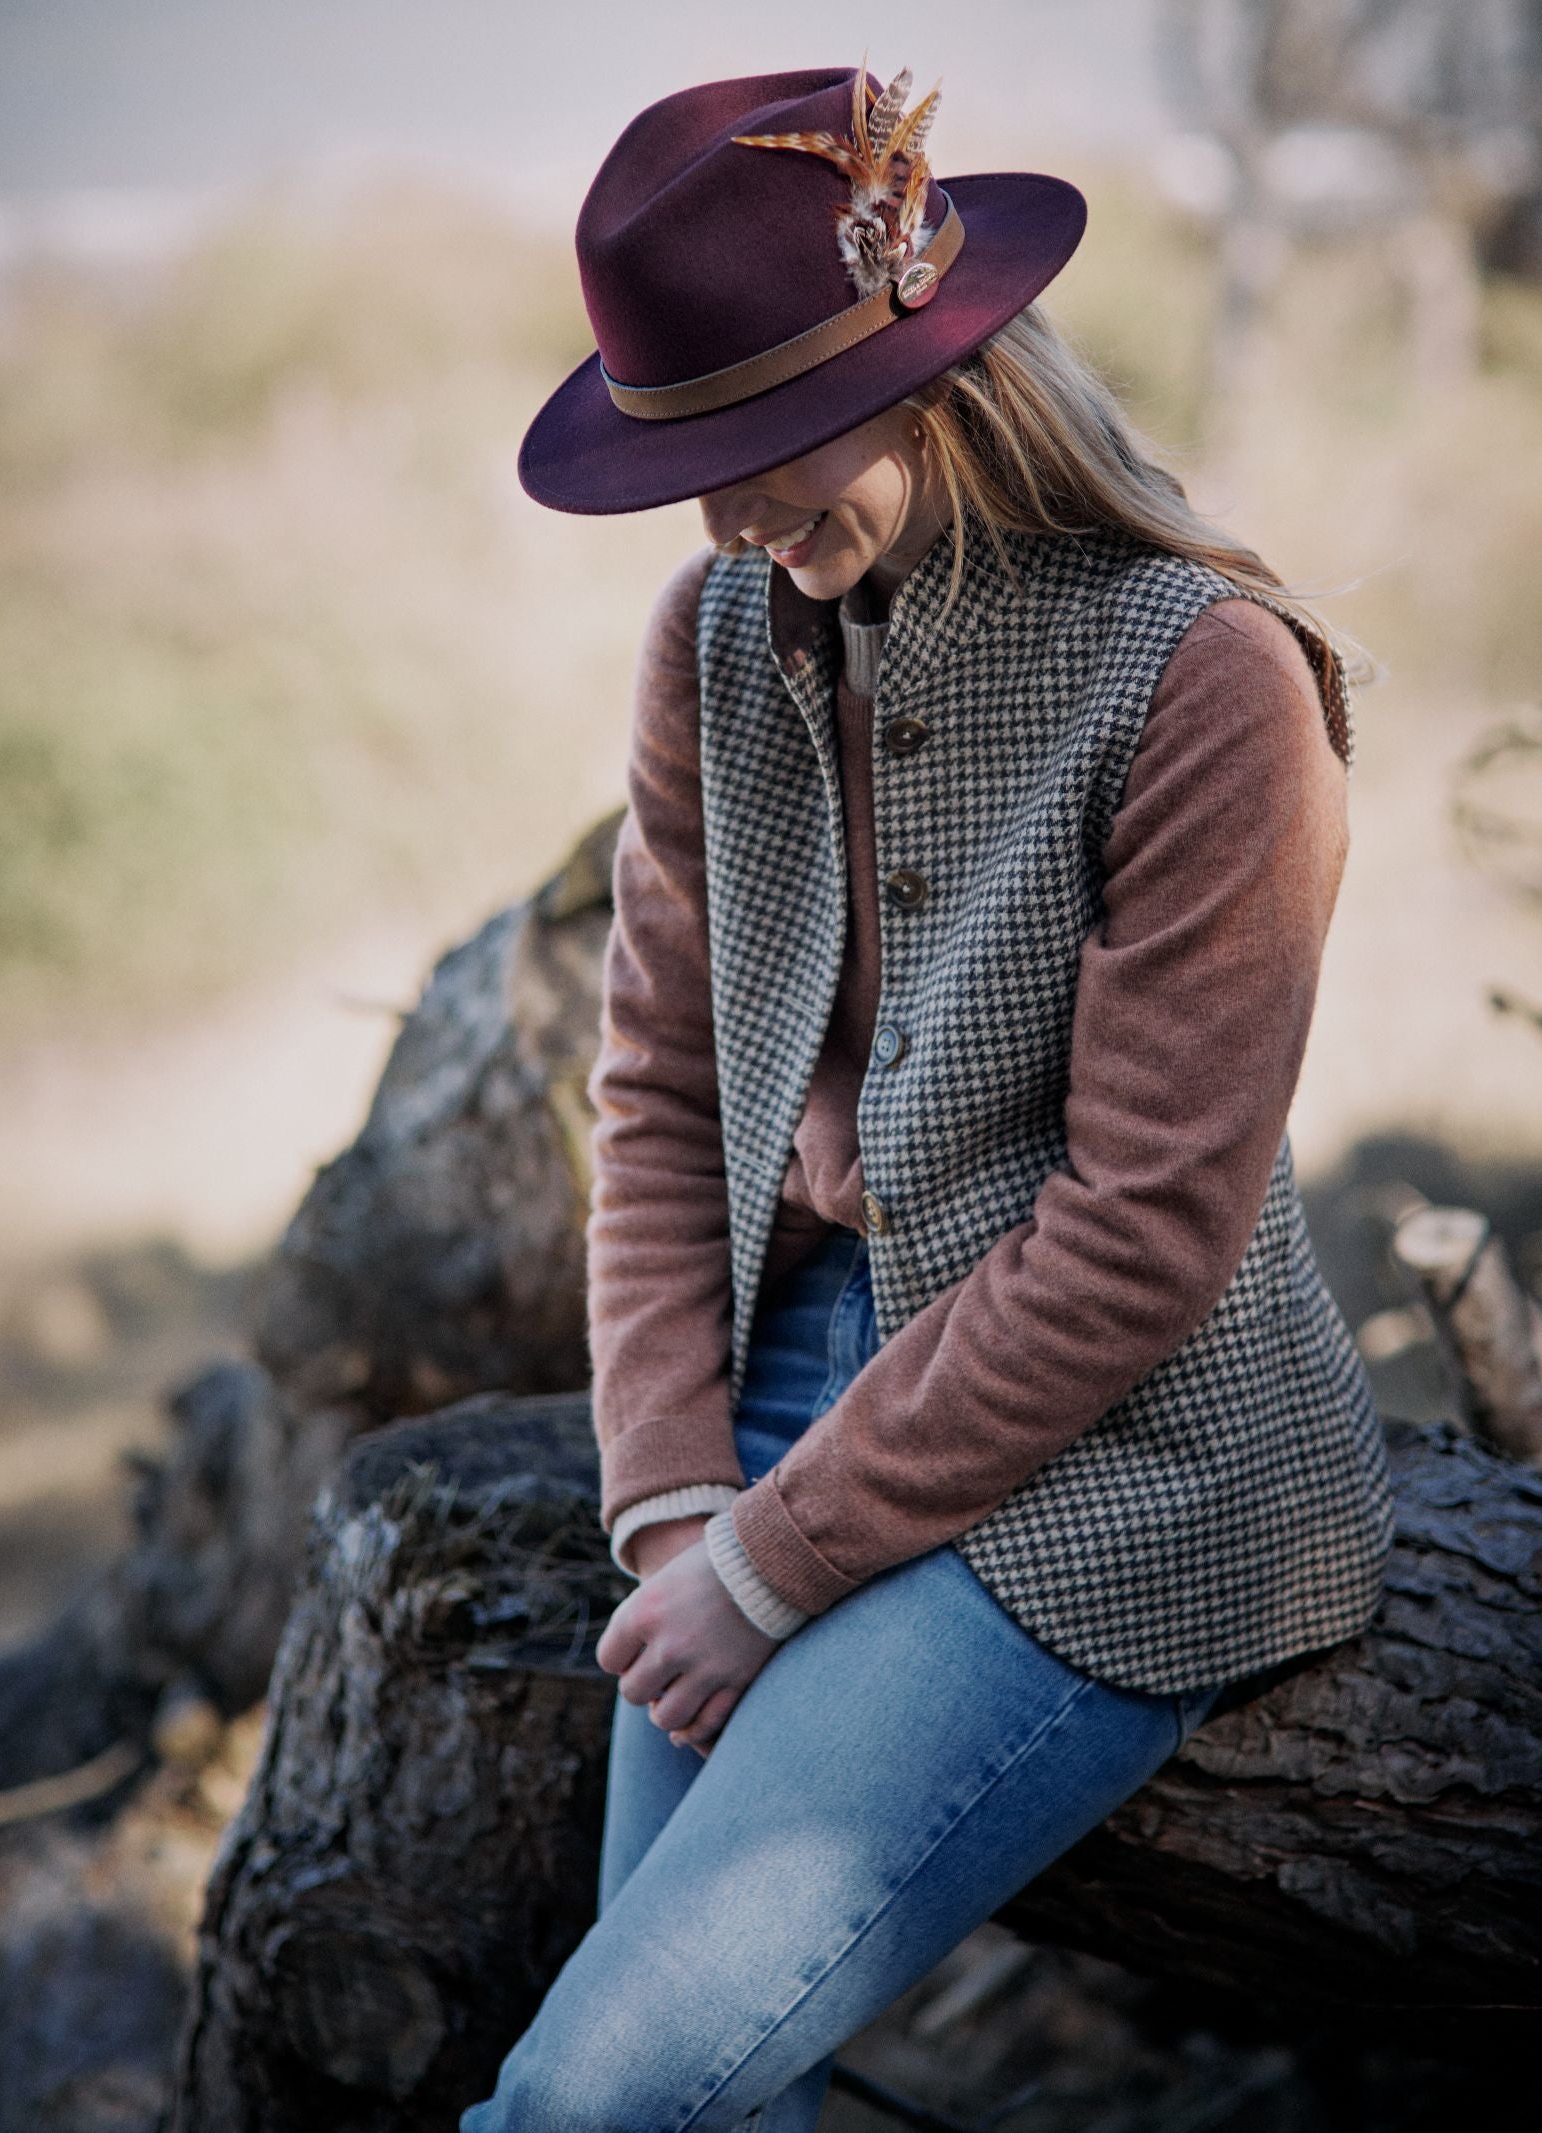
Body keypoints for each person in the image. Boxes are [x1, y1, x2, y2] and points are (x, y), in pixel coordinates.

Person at [459, 59, 1394, 2133]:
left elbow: (1144, 1228)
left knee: (595, 2099)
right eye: (695, 468)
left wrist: (772, 1567)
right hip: (801, 1363)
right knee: (677, 2095)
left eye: (781, 452)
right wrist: (676, 1490)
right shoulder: (716, 634)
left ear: (953, 373)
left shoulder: (1204, 678)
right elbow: (655, 1095)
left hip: (1134, 1458)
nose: (739, 527)